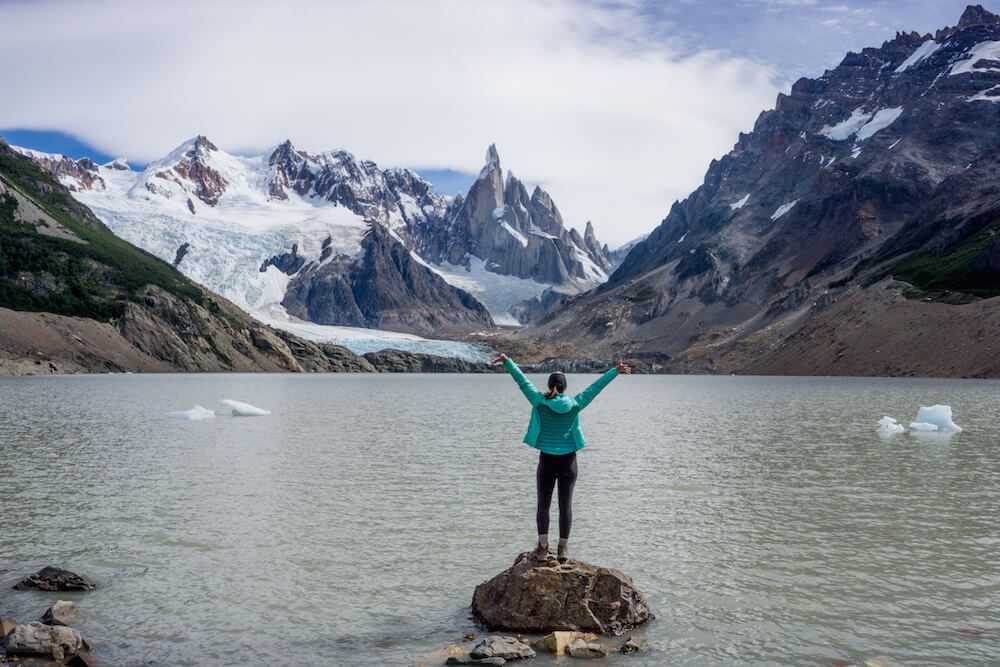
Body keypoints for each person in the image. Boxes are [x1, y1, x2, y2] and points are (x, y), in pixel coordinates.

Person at [491, 353, 631, 563]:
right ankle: (563, 549)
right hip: (569, 462)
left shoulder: (538, 401)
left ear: (549, 386)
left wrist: (507, 361)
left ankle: (542, 548)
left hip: (547, 460)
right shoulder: (576, 403)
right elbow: (595, 387)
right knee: (566, 505)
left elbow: (522, 381)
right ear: (565, 387)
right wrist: (615, 371)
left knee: (543, 505)